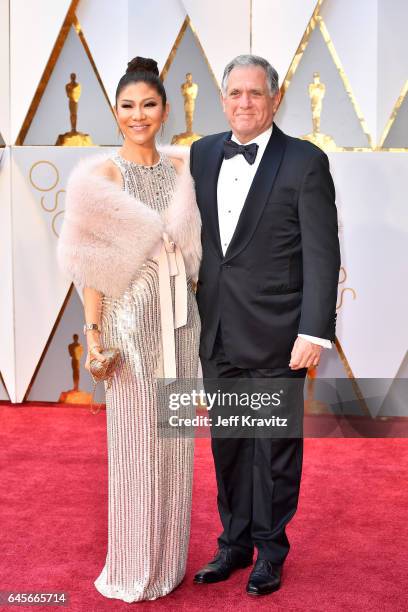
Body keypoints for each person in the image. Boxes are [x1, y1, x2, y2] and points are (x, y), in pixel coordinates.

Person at [190, 55, 340, 596]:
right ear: (223, 98)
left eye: (255, 93)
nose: (244, 103)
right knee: (228, 443)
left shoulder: (305, 162)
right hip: (219, 333)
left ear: (275, 99)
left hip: (280, 334)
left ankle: (270, 551)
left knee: (274, 449)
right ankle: (233, 544)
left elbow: (323, 254)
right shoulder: (203, 152)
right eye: (234, 93)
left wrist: (314, 330)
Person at [57, 57, 201, 602]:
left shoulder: (185, 173)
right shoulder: (102, 178)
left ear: (165, 110)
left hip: (180, 324)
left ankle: (169, 561)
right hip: (129, 331)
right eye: (127, 106)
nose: (137, 115)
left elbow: (196, 261)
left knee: (177, 444)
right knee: (137, 448)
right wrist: (94, 338)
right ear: (115, 113)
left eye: (148, 104)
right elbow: (91, 266)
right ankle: (133, 565)